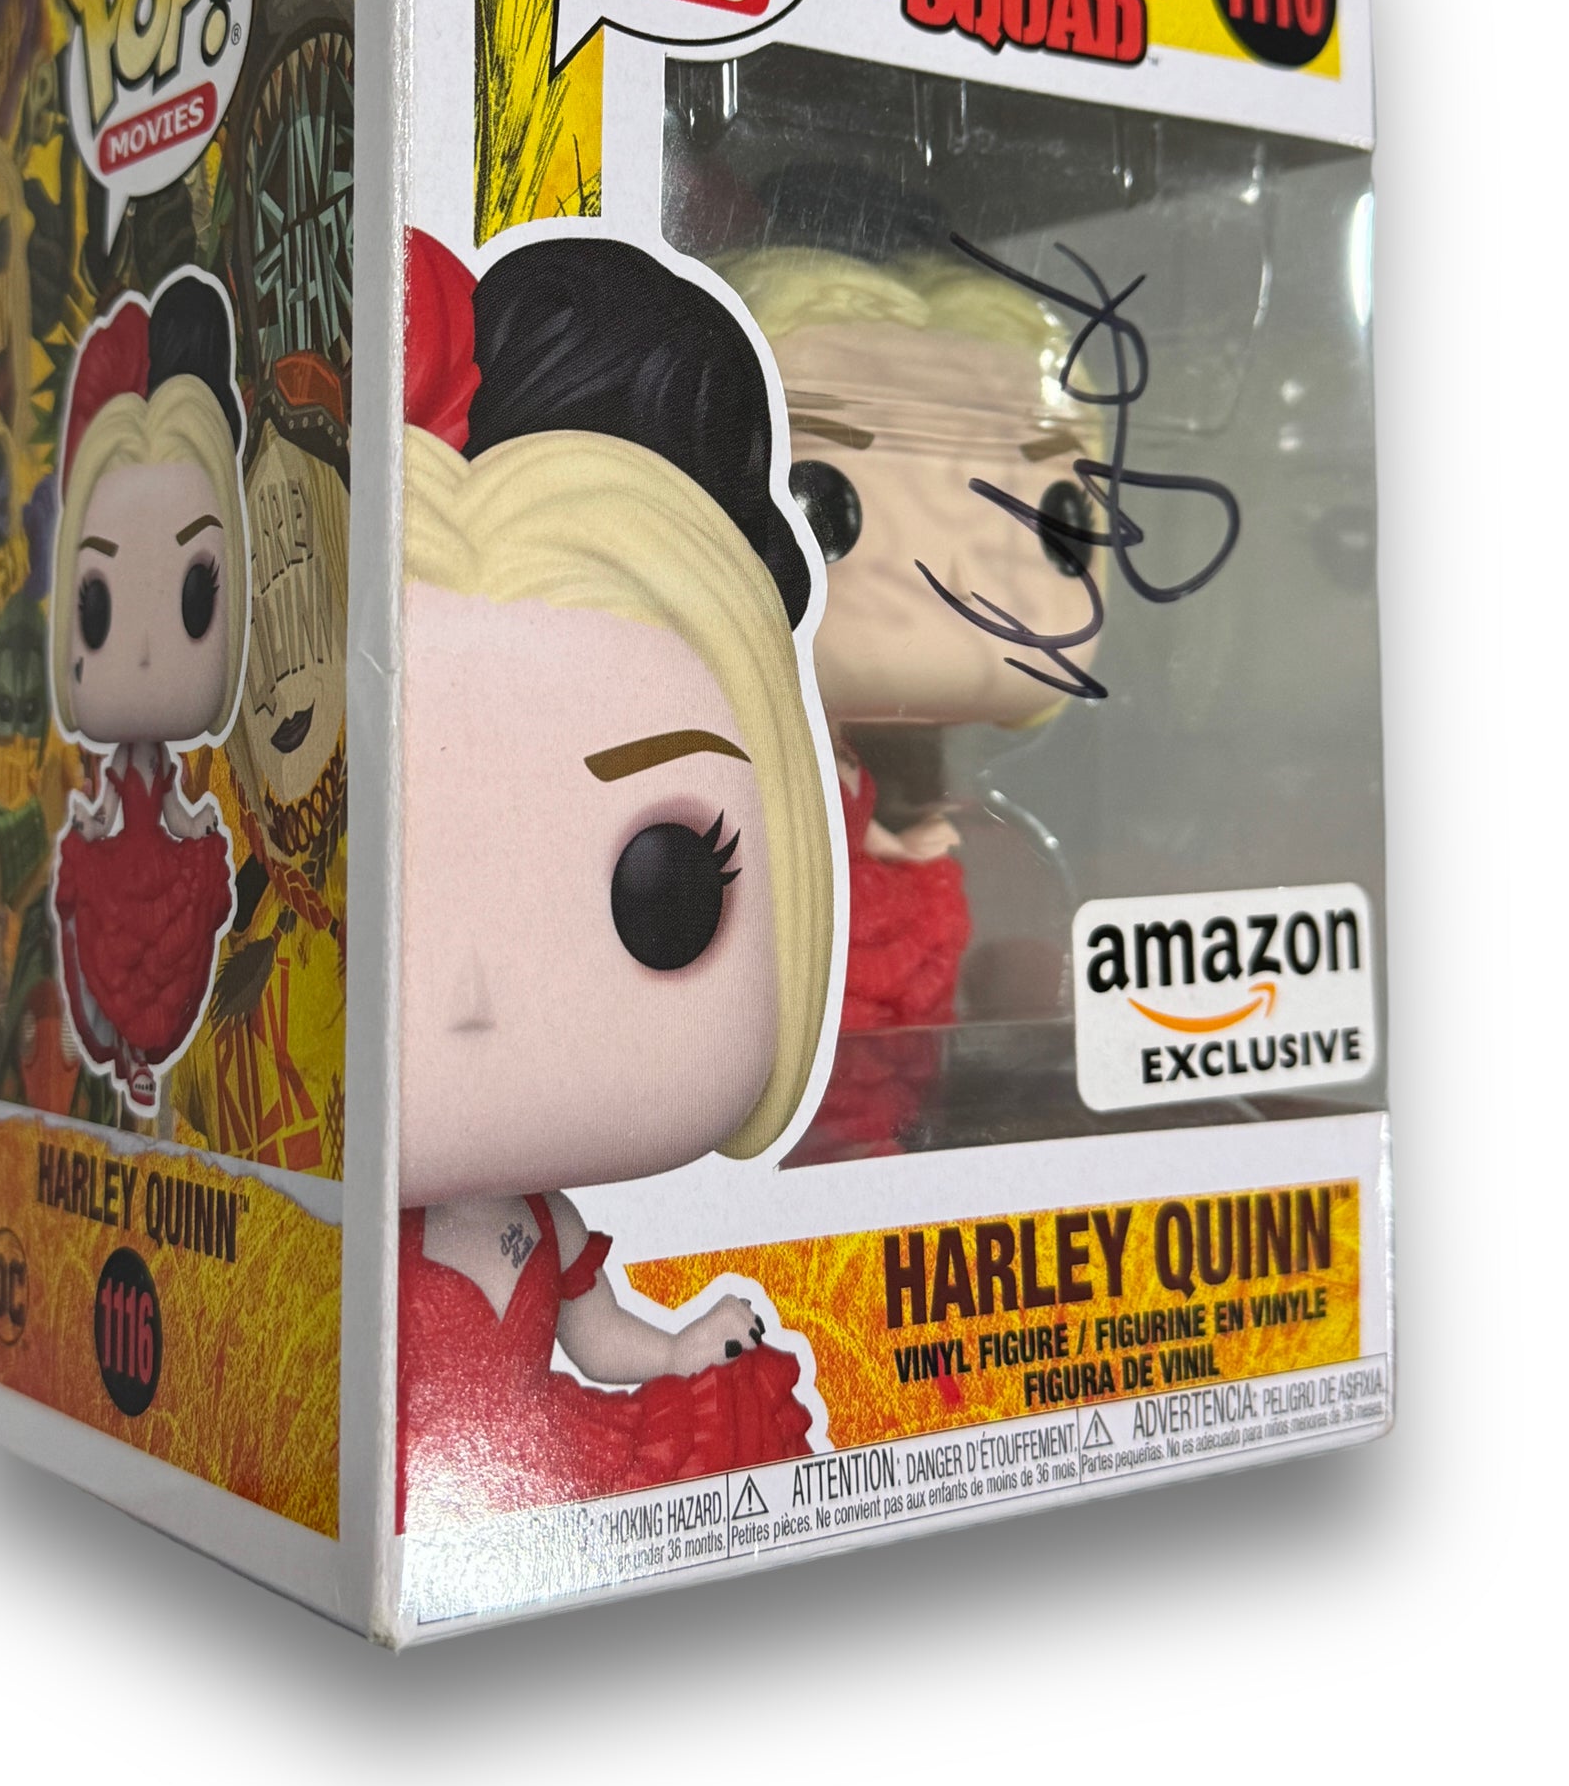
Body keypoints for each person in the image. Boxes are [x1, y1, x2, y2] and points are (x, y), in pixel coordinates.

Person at [397, 231, 833, 1528]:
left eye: (668, 893)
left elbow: (601, 1337)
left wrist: (686, 1346)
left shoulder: (548, 1221)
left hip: (526, 1485)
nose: (474, 994)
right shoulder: (341, 1239)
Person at [717, 245, 1102, 1154]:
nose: (958, 580)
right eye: (827, 501)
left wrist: (897, 841)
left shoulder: (859, 764)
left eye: (1059, 518)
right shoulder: (747, 757)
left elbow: (847, 813)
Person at [47, 270, 249, 1113]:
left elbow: (174, 808)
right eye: (95, 609)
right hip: (124, 858)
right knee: (117, 948)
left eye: (196, 597)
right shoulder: (120, 773)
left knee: (162, 947)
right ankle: (127, 1052)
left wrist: (189, 825)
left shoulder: (168, 772)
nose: (134, 655)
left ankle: (139, 1056)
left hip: (151, 854)